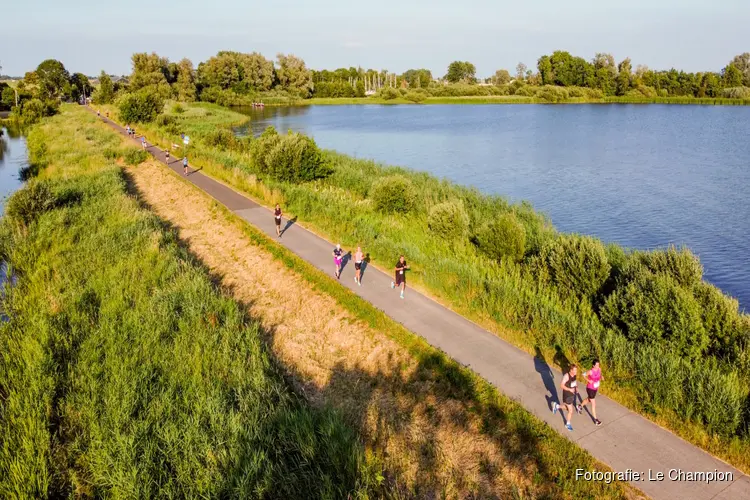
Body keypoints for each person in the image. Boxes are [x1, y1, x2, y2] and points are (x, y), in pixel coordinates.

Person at [552, 365, 578, 431]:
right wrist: (569, 389)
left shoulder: (574, 375)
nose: (576, 372)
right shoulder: (566, 376)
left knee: (567, 408)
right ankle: (568, 424)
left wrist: (576, 388)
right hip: (567, 394)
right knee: (571, 410)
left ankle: (556, 406)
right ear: (571, 370)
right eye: (574, 370)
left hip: (571, 394)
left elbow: (574, 382)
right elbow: (561, 385)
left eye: (576, 370)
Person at [579, 360, 603, 426]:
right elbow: (583, 374)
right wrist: (588, 380)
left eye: (599, 365)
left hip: (595, 388)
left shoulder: (599, 369)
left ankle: (580, 406)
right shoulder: (590, 371)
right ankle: (596, 420)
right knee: (593, 403)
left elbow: (599, 374)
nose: (598, 366)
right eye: (597, 365)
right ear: (593, 365)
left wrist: (601, 377)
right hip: (590, 388)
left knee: (588, 400)